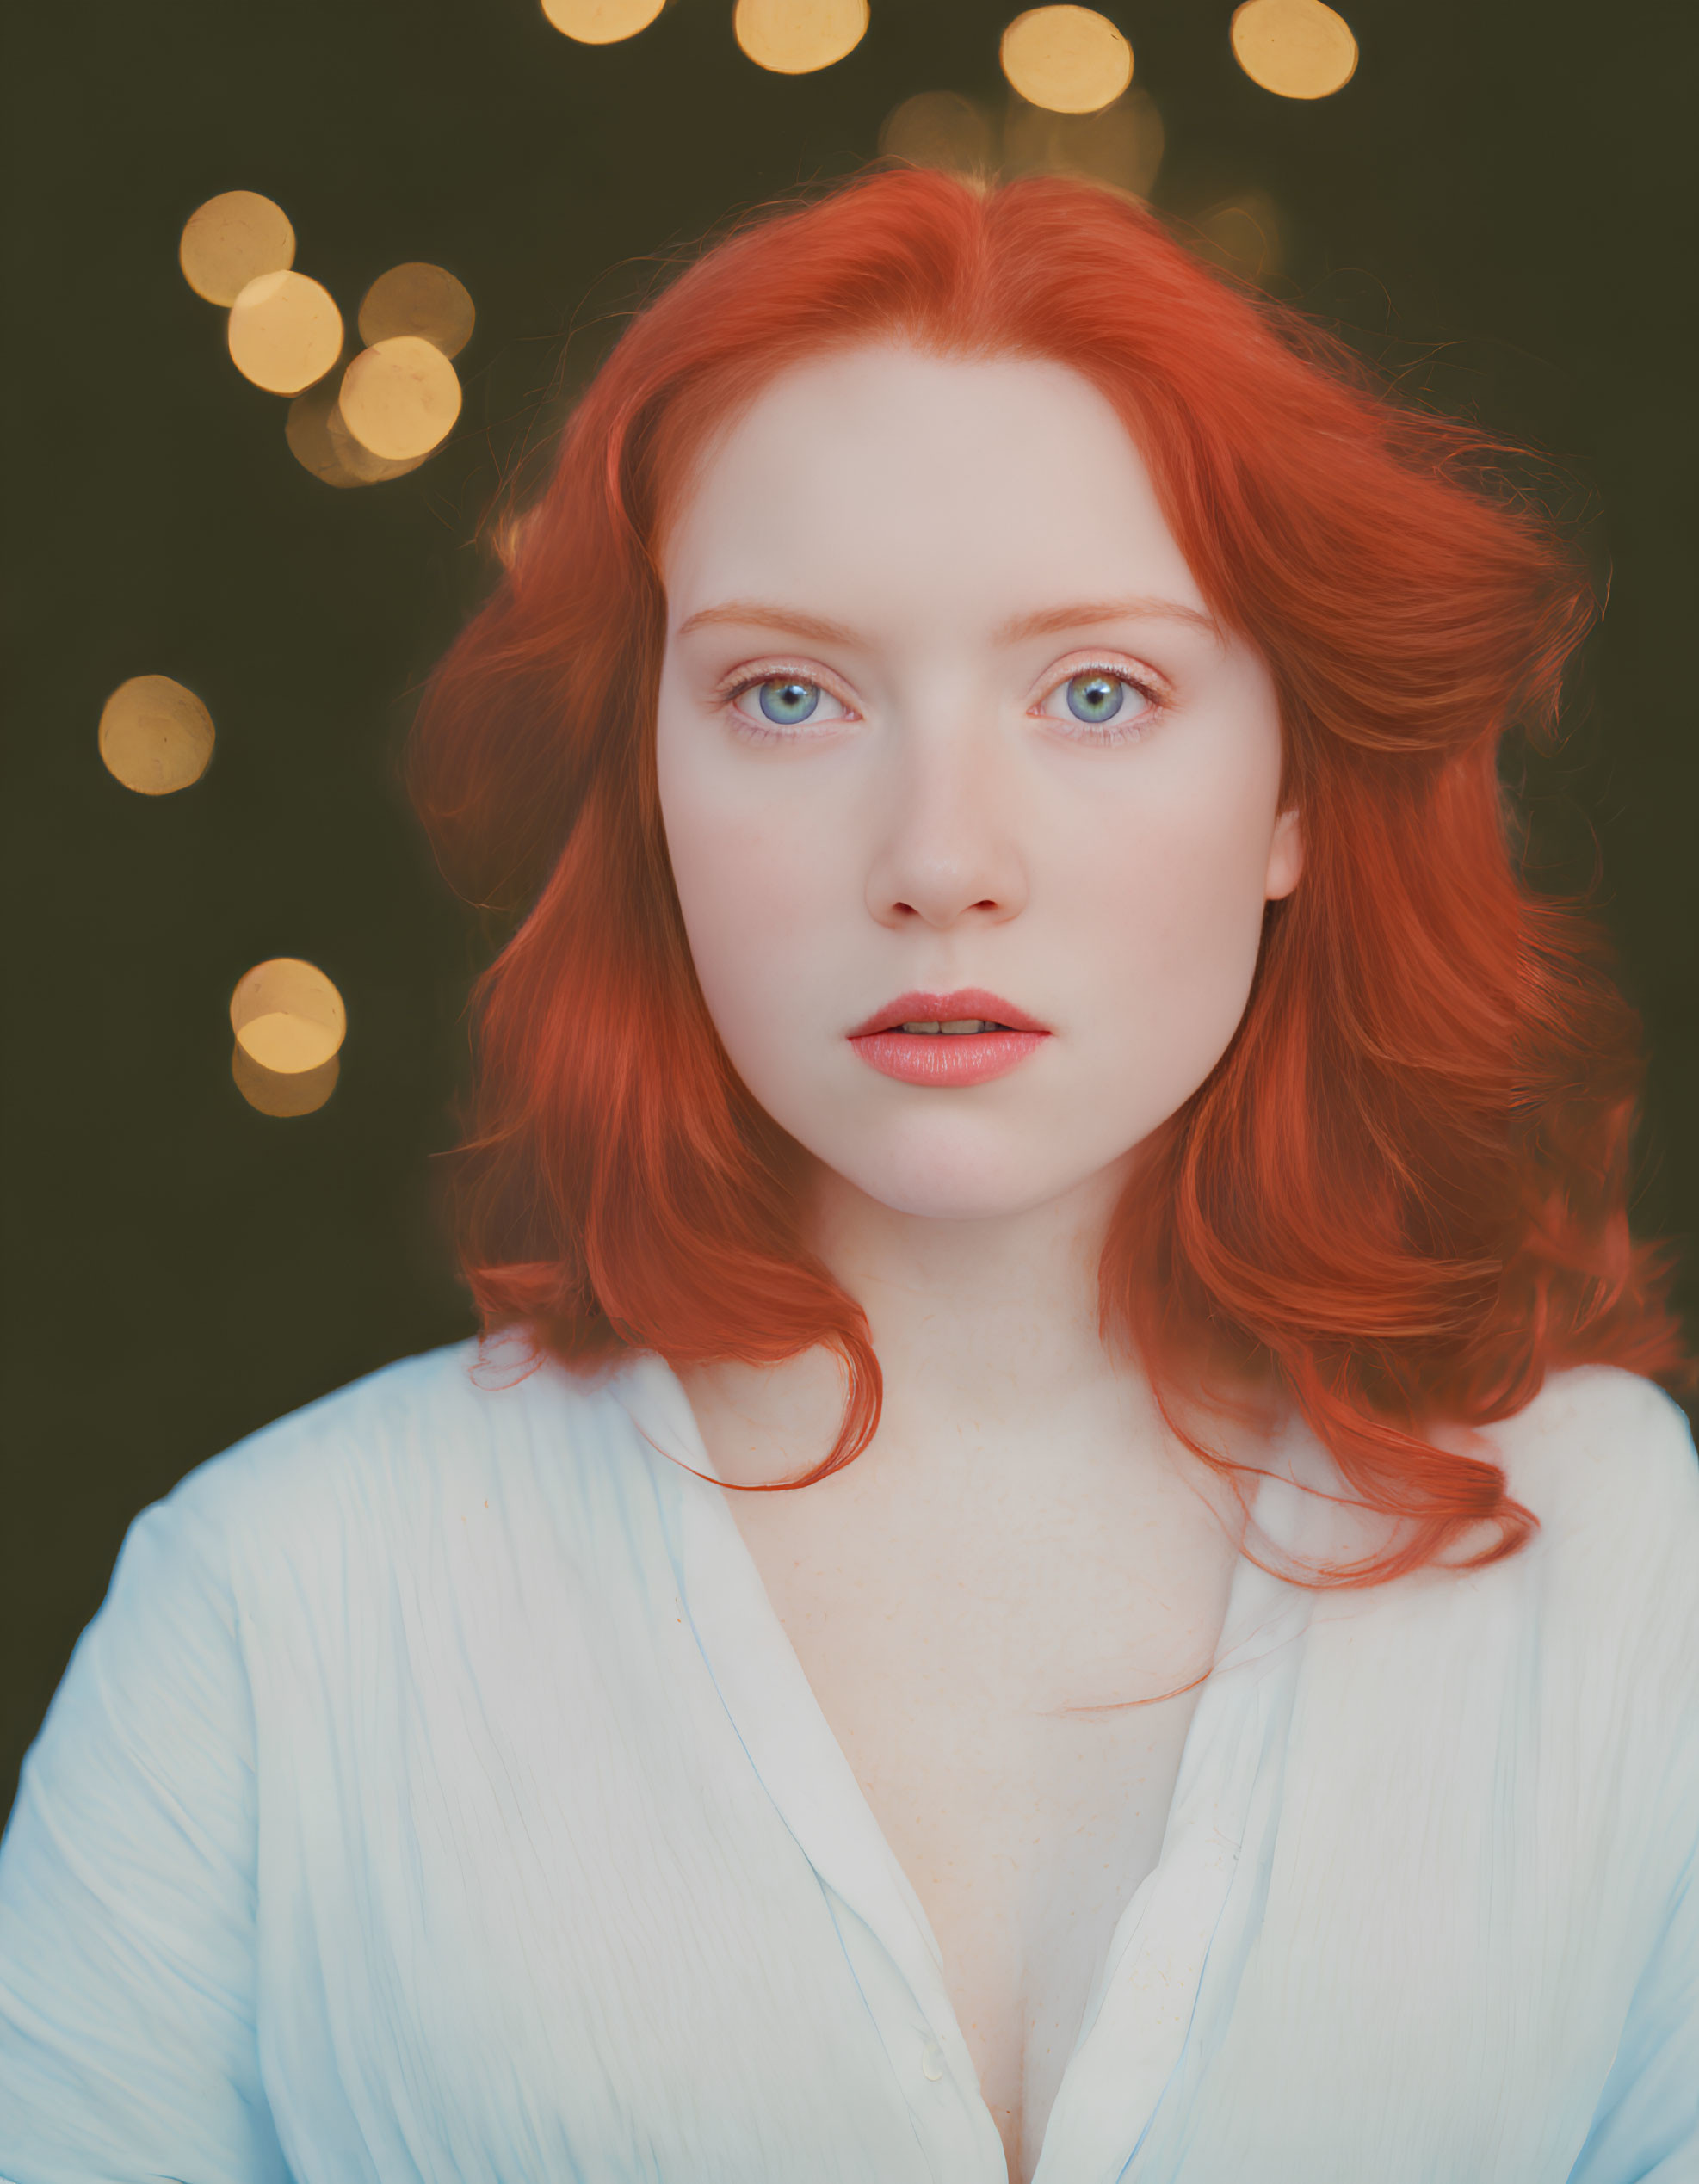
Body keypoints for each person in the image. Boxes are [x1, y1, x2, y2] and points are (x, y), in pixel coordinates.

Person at [1, 163, 1695, 2184]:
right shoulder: (277, 1616)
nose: (939, 854)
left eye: (1098, 693)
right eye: (787, 695)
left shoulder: (1615, 1563)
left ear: (1298, 795)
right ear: (647, 782)